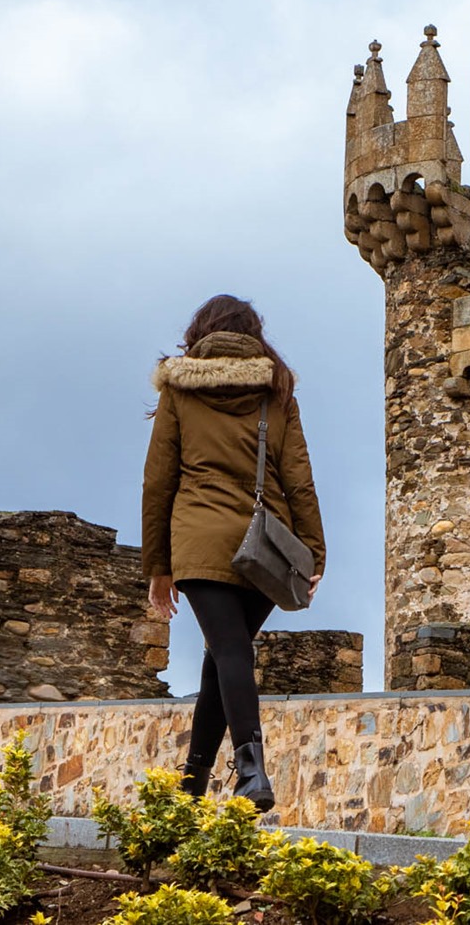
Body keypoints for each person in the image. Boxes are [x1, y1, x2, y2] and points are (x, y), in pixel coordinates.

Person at [141, 295, 325, 811]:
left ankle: (251, 770)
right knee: (224, 654)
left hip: (199, 538)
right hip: (265, 546)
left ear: (200, 331)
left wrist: (158, 567)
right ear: (254, 335)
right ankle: (193, 786)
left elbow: (158, 483)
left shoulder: (180, 389)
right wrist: (314, 553)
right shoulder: (276, 390)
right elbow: (299, 480)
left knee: (227, 652)